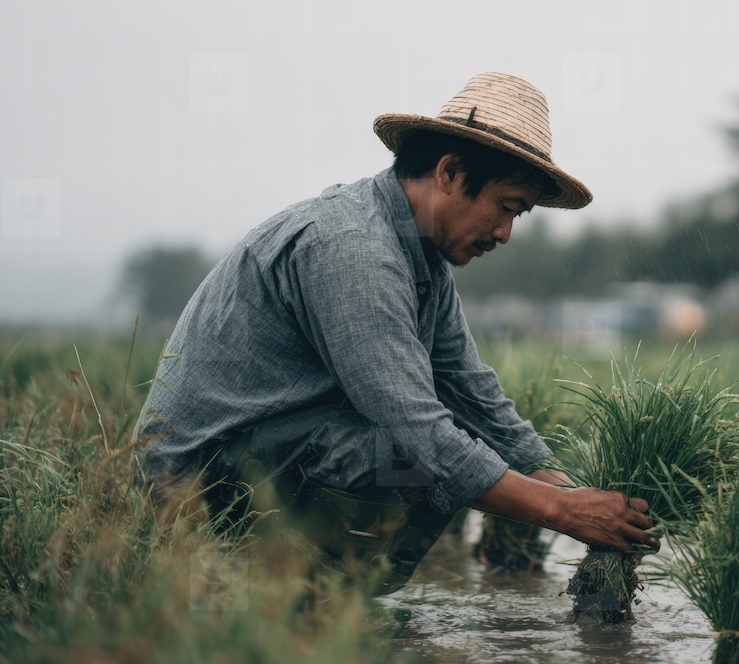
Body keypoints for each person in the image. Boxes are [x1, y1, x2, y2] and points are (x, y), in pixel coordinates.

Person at [131, 72, 657, 593]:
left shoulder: (422, 258)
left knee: (456, 454)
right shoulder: (353, 248)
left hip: (265, 455)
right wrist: (565, 513)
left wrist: (573, 491)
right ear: (450, 172)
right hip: (192, 488)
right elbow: (417, 430)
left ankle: (308, 599)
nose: (505, 233)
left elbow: (472, 392)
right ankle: (268, 591)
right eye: (505, 207)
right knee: (416, 460)